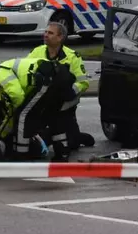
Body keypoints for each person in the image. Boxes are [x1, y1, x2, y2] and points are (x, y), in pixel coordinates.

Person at [26, 22, 93, 160]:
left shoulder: (72, 56)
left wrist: (69, 93)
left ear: (60, 37)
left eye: (50, 33)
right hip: (42, 103)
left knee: (72, 143)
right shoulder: (36, 52)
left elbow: (83, 82)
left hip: (64, 106)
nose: (45, 35)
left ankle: (75, 137)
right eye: (45, 32)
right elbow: (26, 72)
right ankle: (49, 137)